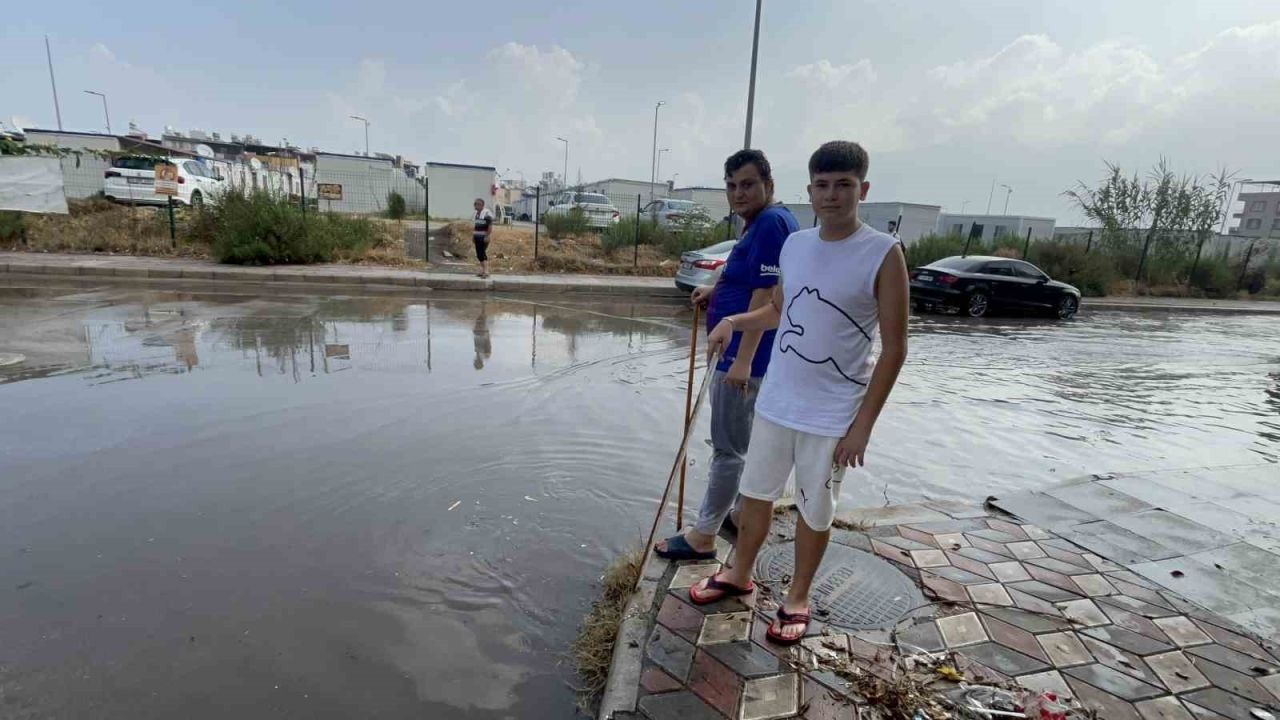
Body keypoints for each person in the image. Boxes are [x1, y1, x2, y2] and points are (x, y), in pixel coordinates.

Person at [688, 141, 909, 646]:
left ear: (863, 189)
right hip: (777, 401)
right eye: (823, 186)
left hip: (832, 414)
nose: (832, 196)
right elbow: (780, 312)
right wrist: (734, 321)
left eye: (844, 185)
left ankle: (798, 597)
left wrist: (862, 427)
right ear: (809, 190)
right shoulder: (796, 245)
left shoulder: (883, 253)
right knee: (756, 493)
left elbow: (895, 349)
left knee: (815, 509)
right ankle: (738, 573)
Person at [654, 150, 799, 561]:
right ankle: (737, 512)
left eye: (748, 184)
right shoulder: (759, 224)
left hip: (741, 357)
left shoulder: (771, 222)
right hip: (737, 352)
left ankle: (703, 536)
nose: (739, 193)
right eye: (732, 185)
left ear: (769, 184)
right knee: (738, 444)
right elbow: (744, 273)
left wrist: (742, 361)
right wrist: (715, 290)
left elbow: (766, 294)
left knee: (727, 449)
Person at [472, 198, 494, 278]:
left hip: (483, 237)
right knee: (479, 254)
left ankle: (486, 271)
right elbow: (476, 226)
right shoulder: (476, 214)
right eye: (475, 204)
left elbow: (490, 226)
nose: (476, 206)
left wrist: (487, 236)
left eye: (478, 204)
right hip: (477, 237)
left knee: (482, 253)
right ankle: (482, 271)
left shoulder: (487, 214)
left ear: (482, 205)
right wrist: (473, 236)